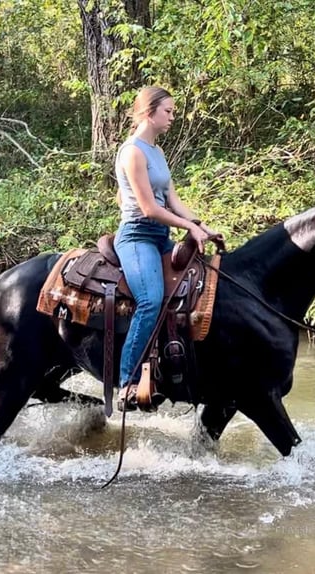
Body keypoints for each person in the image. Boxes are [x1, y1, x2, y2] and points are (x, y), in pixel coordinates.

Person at [114, 86, 222, 411]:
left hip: (161, 236)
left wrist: (202, 226)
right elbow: (148, 208)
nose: (173, 117)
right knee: (150, 300)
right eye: (169, 112)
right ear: (149, 113)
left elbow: (173, 201)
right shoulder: (132, 152)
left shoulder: (157, 153)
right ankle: (127, 381)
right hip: (137, 236)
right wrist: (187, 227)